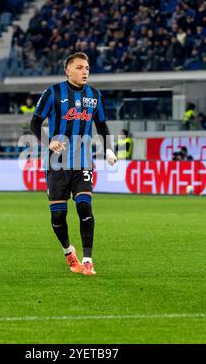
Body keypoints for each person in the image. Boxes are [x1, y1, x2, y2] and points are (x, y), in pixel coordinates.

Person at [30, 52, 117, 276]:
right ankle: (69, 251)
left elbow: (102, 126)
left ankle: (87, 260)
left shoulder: (95, 95)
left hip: (83, 162)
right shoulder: (53, 92)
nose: (84, 71)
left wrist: (108, 149)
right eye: (79, 67)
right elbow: (35, 123)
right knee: (58, 217)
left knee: (84, 207)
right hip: (56, 164)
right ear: (68, 70)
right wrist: (48, 143)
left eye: (87, 67)